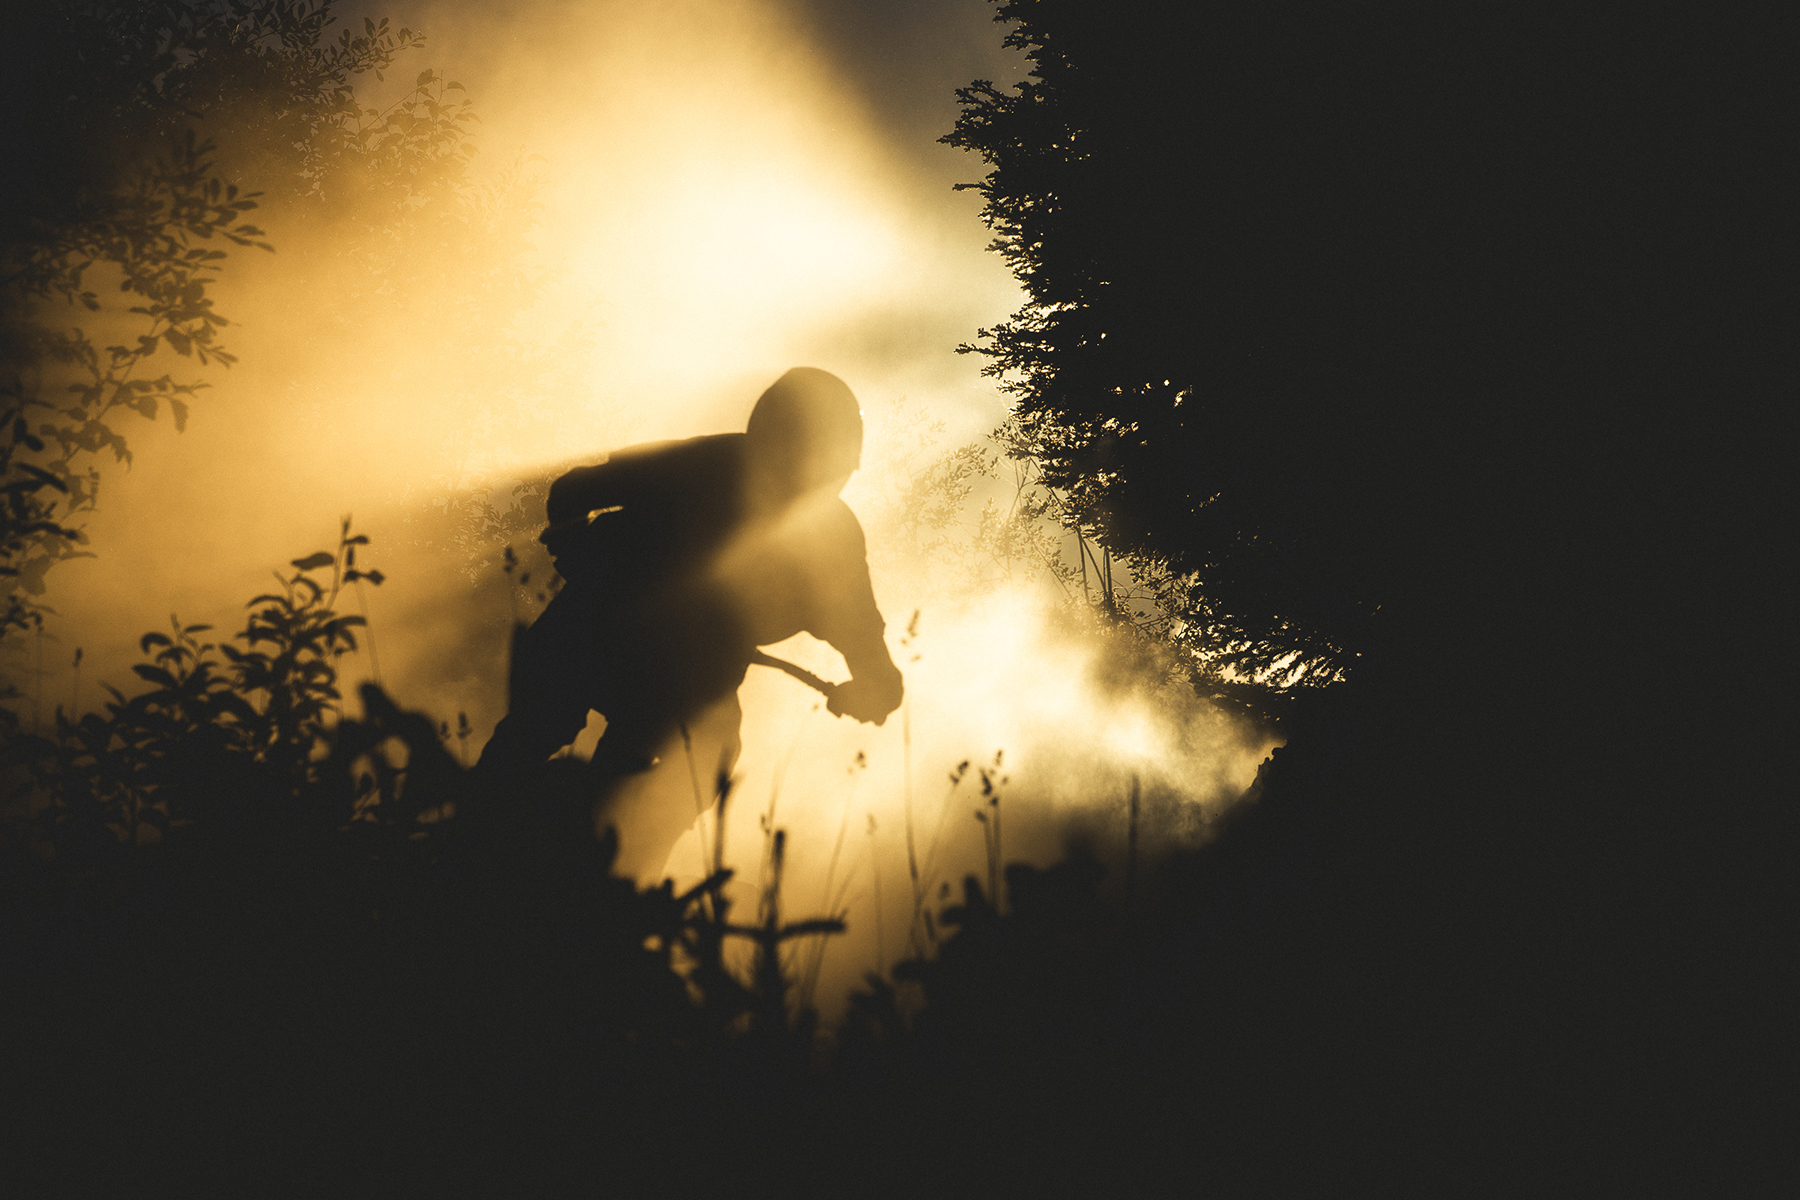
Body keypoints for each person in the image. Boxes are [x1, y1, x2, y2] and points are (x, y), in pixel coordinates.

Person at [474, 367, 904, 879]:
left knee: (706, 756)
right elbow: (574, 490)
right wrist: (573, 543)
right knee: (533, 732)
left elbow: (864, 640)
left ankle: (624, 871)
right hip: (594, 627)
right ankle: (468, 843)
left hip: (684, 680)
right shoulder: (697, 465)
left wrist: (877, 687)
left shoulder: (832, 541)